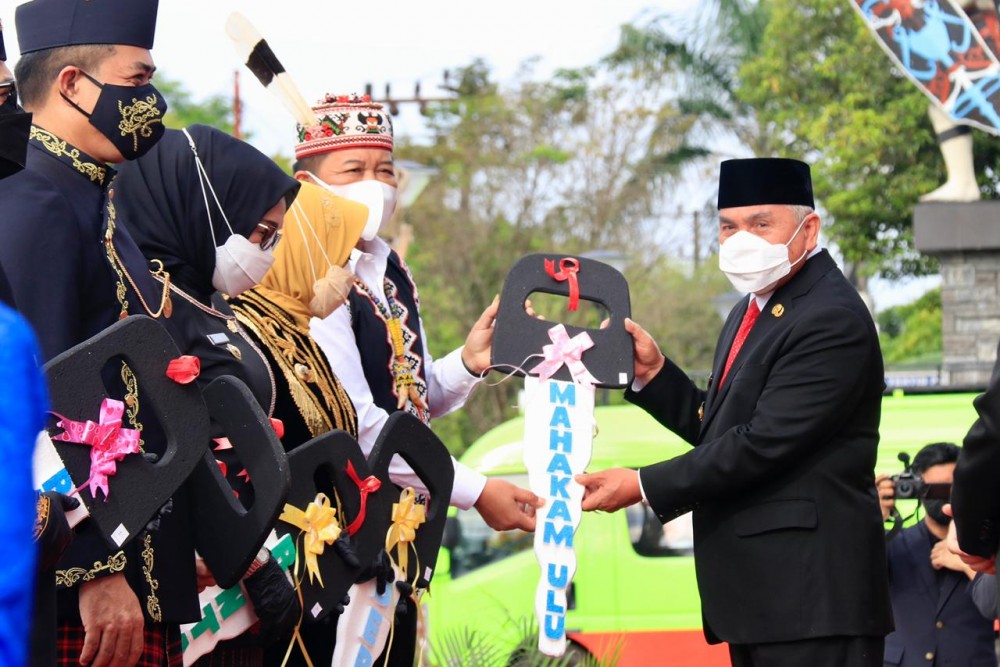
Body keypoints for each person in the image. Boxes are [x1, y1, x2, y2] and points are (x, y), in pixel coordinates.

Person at [576, 158, 893, 666]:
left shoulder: (829, 316)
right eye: (729, 226)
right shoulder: (754, 307)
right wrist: (654, 376)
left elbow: (762, 443)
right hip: (766, 599)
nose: (741, 239)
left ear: (808, 229)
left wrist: (641, 484)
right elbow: (721, 426)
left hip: (812, 600)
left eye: (760, 224)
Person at [296, 93, 541, 531]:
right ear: (308, 184)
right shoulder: (310, 275)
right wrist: (476, 491)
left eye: (385, 171)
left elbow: (412, 398)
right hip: (338, 527)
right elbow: (358, 424)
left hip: (404, 525)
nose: (375, 185)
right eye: (354, 171)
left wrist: (470, 362)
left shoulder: (390, 269)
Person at [114, 124, 302, 665]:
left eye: (274, 239)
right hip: (188, 569)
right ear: (200, 210)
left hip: (241, 565)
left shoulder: (206, 300)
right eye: (260, 232)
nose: (264, 251)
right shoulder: (146, 304)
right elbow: (162, 438)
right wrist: (245, 558)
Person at [228, 180, 366, 450]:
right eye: (343, 256)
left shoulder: (293, 326)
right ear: (307, 252)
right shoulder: (243, 326)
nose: (349, 274)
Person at [876, 443, 996, 666]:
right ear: (916, 489)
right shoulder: (889, 543)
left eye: (953, 487)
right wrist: (871, 522)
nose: (945, 497)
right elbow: (847, 585)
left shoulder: (990, 546)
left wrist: (968, 565)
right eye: (935, 489)